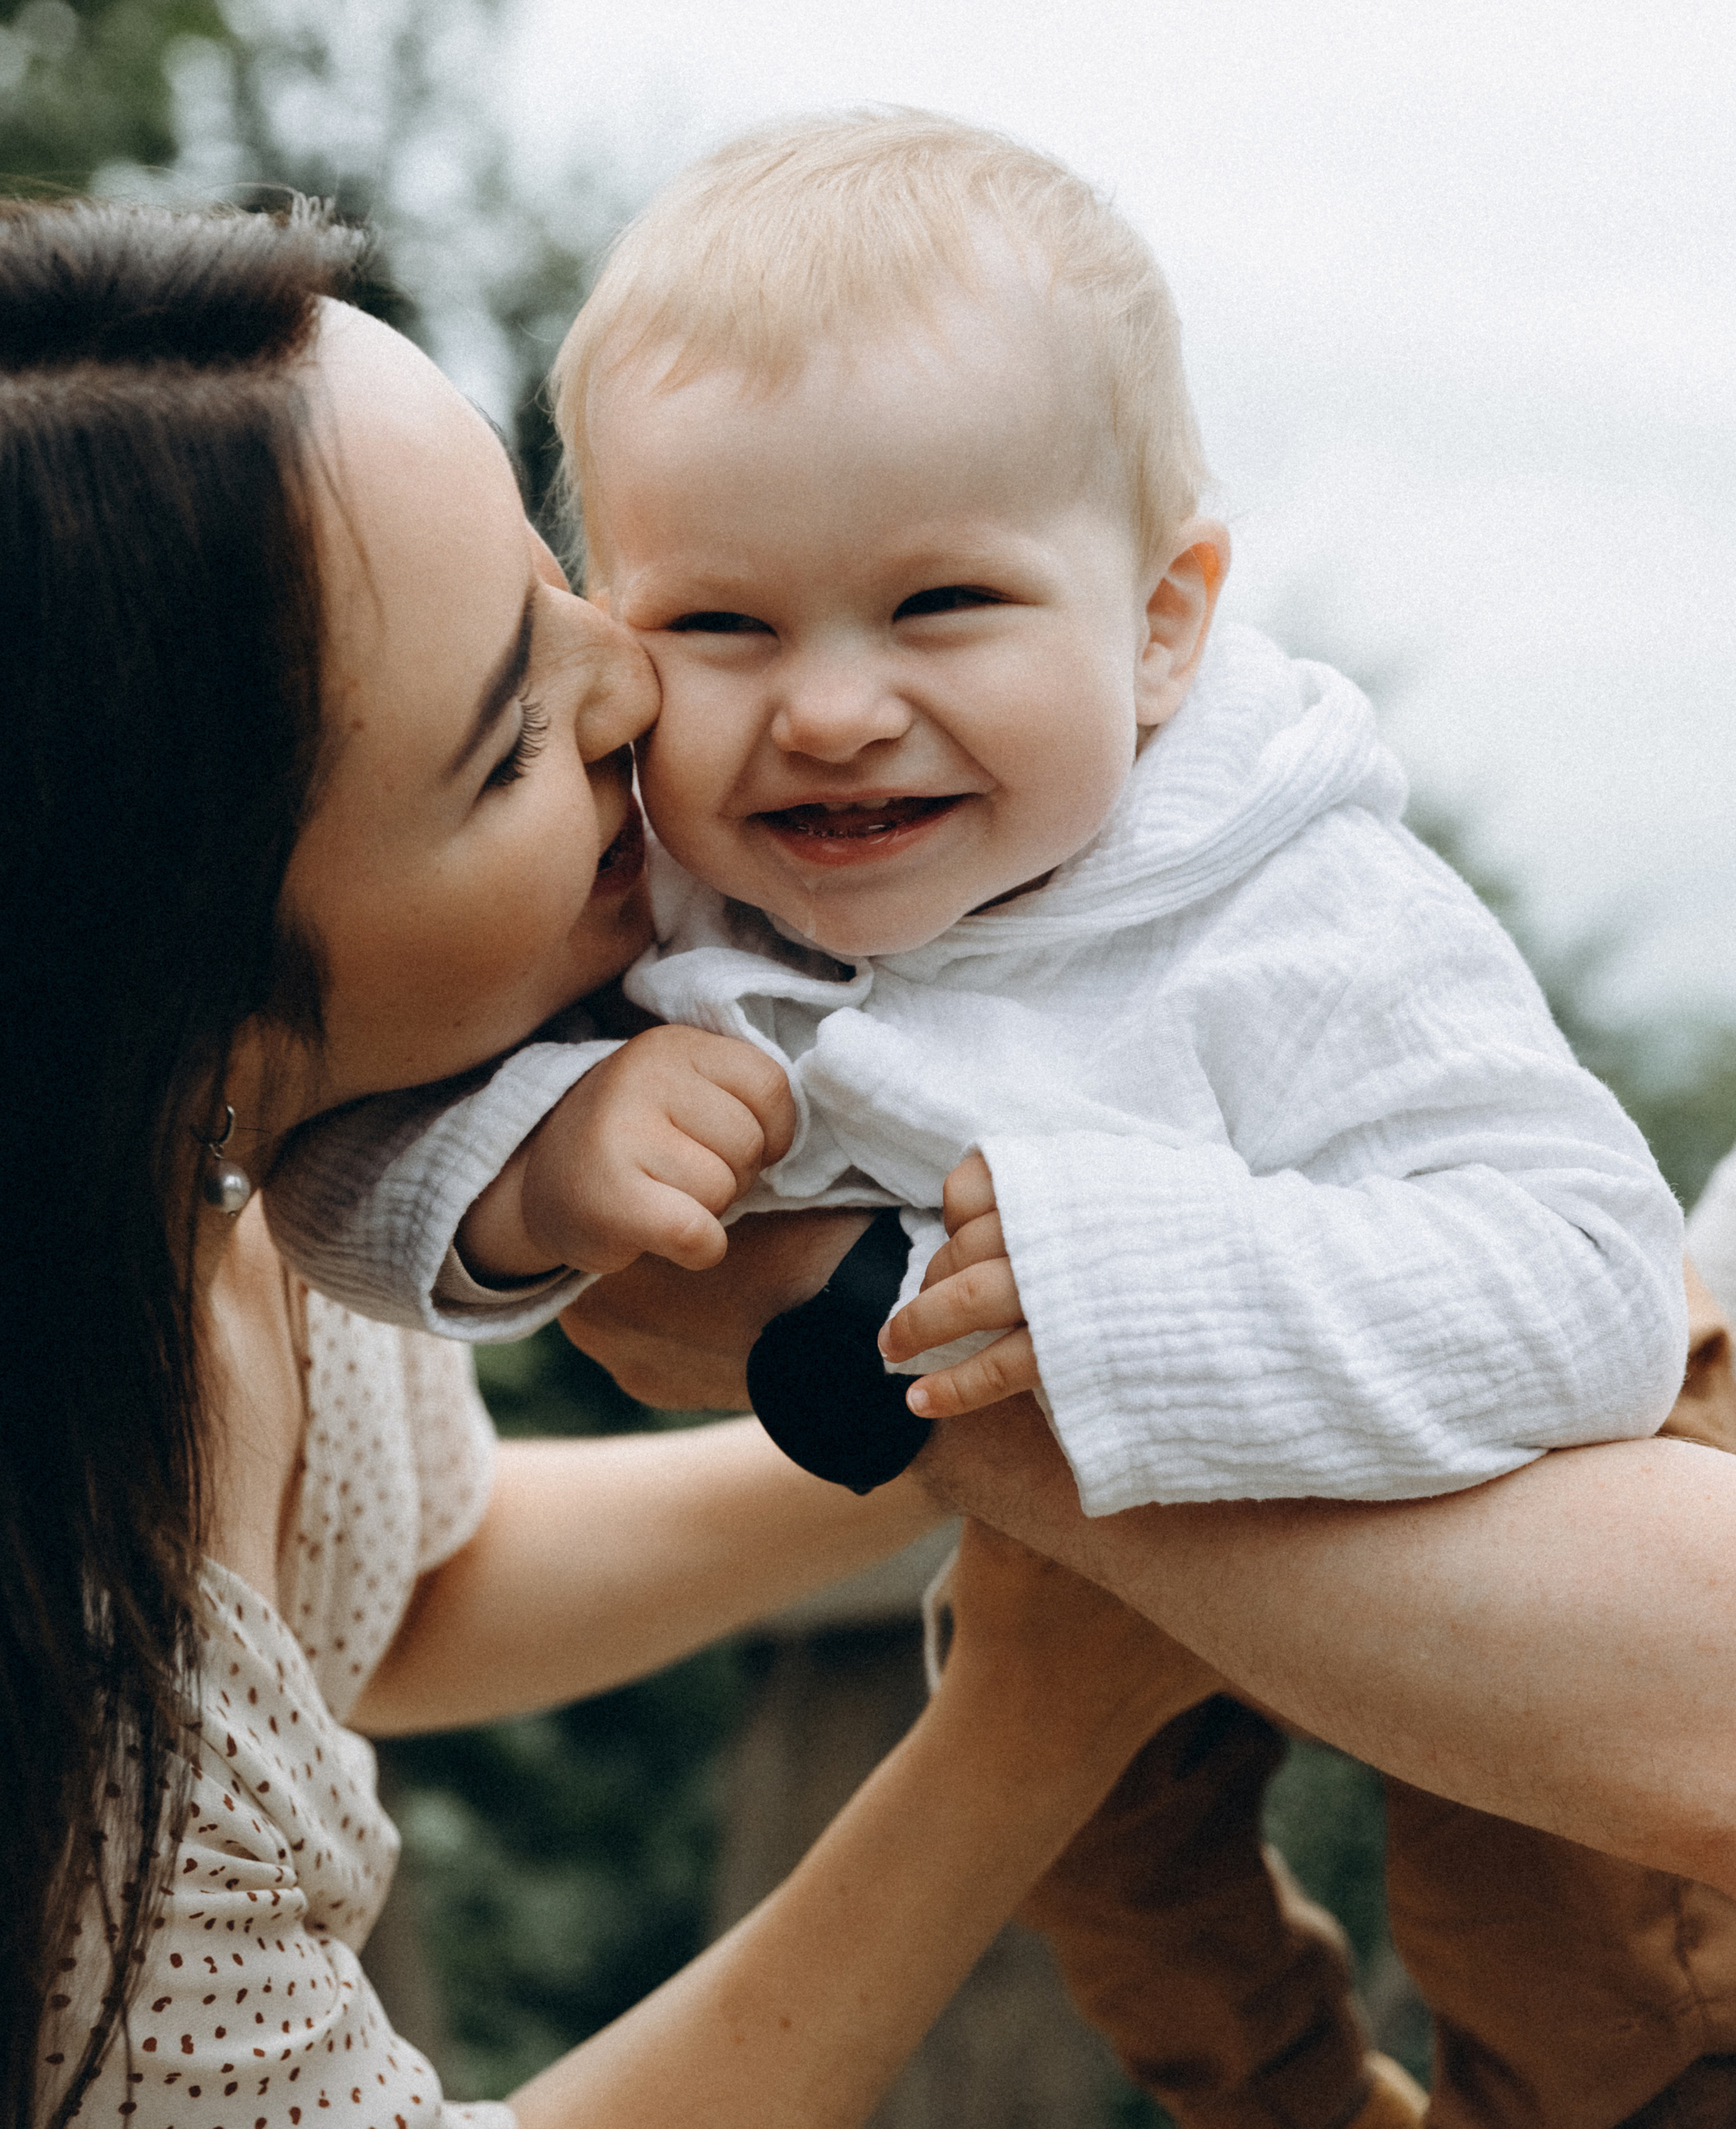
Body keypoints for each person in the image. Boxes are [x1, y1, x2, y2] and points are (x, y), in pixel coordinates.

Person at [267, 113, 1718, 2125]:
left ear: (1163, 622)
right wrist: (538, 1162)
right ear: (615, 630)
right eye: (722, 626)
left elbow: (1593, 1290)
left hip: (1493, 1492)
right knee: (1124, 1897)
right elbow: (319, 1168)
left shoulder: (1290, 908)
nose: (830, 709)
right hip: (1087, 1537)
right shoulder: (675, 879)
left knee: (1552, 1946)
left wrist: (1132, 1282)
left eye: (942, 603)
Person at [0, 197, 1212, 2129]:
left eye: (556, 578)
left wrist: (974, 1415)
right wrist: (1027, 1732)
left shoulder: (236, 1169)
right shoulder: (69, 1713)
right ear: (184, 1007)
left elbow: (418, 1583)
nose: (635, 688)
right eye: (510, 745)